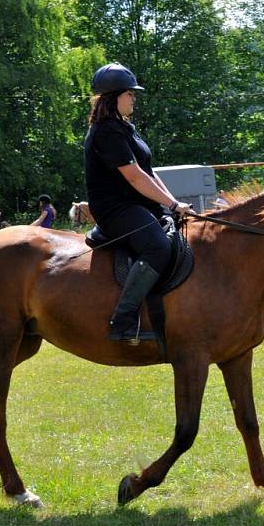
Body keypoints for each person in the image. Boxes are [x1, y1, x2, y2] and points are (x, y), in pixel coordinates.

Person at [84, 62, 193, 344]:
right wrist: (170, 204)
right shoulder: (106, 131)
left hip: (139, 204)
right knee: (157, 246)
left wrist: (174, 203)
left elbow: (148, 171)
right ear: (114, 97)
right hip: (115, 208)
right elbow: (133, 177)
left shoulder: (126, 127)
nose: (134, 98)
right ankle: (123, 319)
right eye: (130, 93)